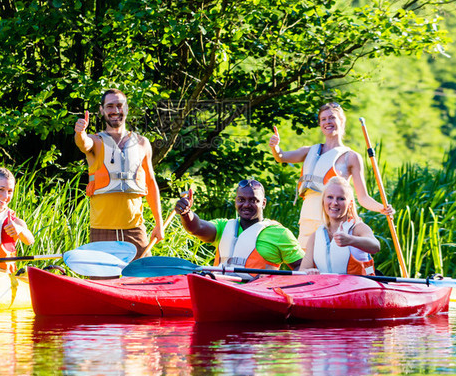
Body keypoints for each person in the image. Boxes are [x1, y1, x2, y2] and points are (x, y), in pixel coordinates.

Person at [268, 101, 394, 247]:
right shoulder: (309, 151)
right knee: (305, 264)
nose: (327, 122)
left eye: (332, 118)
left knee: (327, 263)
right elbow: (281, 157)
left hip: (331, 218)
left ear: (341, 121)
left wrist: (382, 208)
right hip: (308, 216)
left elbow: (363, 197)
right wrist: (275, 147)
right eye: (323, 119)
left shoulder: (351, 157)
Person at [74, 88, 163, 258]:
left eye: (119, 106)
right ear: (102, 110)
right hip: (102, 231)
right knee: (103, 284)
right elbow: (83, 144)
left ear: (126, 108)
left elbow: (151, 183)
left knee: (141, 282)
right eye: (110, 106)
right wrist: (80, 133)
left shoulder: (142, 143)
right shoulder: (95, 141)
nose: (115, 110)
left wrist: (159, 224)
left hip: (135, 231)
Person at [173, 179, 303, 271]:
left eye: (253, 200)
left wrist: (277, 285)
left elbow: (301, 266)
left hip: (256, 295)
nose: (246, 205)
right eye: (241, 200)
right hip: (219, 287)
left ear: (263, 203)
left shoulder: (279, 233)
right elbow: (197, 228)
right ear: (235, 201)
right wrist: (186, 213)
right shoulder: (223, 226)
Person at [300, 176, 380, 275]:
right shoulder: (315, 236)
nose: (334, 203)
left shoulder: (357, 228)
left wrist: (350, 240)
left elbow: (376, 246)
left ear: (350, 204)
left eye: (341, 198)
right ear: (323, 201)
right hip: (327, 288)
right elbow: (302, 270)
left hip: (358, 288)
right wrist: (308, 272)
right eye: (330, 197)